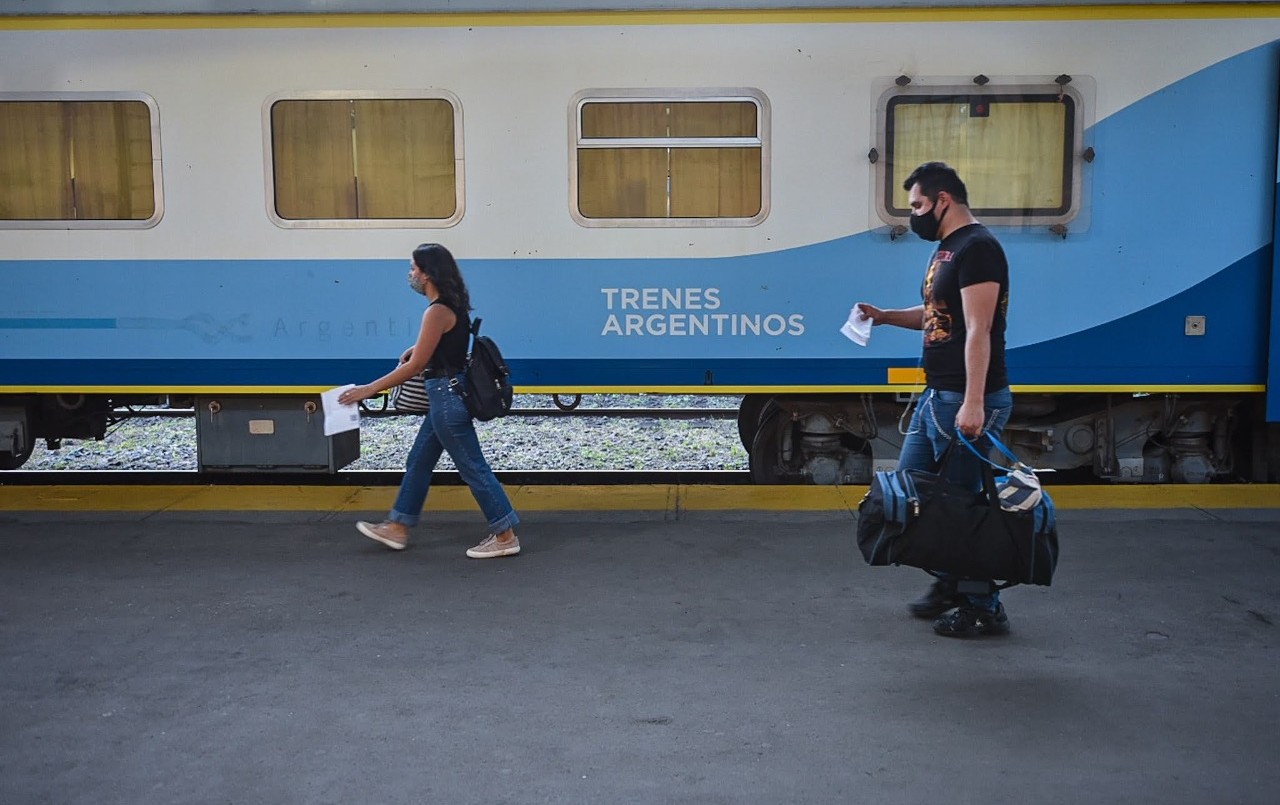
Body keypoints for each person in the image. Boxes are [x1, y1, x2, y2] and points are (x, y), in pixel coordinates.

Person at [857, 162, 1013, 638]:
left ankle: (984, 605)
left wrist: (973, 402)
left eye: (918, 205)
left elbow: (979, 330)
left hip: (964, 399)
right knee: (916, 489)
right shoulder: (948, 249)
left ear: (944, 199)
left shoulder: (979, 249)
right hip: (936, 394)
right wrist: (884, 317)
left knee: (960, 505)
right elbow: (937, 314)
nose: (914, 215)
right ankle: (950, 582)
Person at [339, 243, 521, 560]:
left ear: (427, 274)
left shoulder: (436, 311)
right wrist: (418, 347)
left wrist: (367, 390)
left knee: (472, 467)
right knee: (419, 461)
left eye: (413, 268)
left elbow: (413, 367)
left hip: (446, 400)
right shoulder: (453, 306)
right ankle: (398, 527)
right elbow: (442, 347)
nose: (410, 274)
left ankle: (504, 534)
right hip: (446, 397)